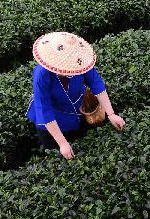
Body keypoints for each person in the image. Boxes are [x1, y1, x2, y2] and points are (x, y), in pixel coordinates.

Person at [26, 31, 126, 160]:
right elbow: (44, 109)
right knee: (57, 155)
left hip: (75, 113)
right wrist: (62, 143)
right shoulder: (41, 74)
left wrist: (111, 114)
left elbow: (97, 85)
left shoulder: (80, 62)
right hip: (51, 121)